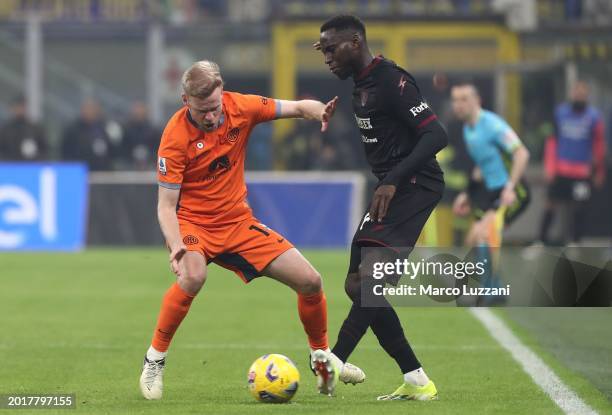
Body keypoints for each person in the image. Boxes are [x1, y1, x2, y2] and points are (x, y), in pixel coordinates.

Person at [139, 60, 364, 400]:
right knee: (193, 276)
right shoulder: (174, 138)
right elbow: (166, 206)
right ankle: (154, 359)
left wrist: (320, 112)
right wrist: (175, 245)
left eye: (215, 108)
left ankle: (321, 359)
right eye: (202, 111)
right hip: (194, 224)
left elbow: (299, 107)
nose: (211, 117)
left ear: (223, 94)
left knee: (311, 281)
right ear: (186, 101)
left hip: (238, 223)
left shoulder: (241, 106)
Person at [316, 15, 447, 401]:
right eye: (322, 50)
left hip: (415, 184)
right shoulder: (362, 84)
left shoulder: (392, 81)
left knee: (371, 282)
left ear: (355, 43)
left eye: (331, 49)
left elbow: (436, 134)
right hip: (391, 185)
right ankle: (417, 379)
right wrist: (388, 181)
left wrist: (392, 179)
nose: (326, 58)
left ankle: (335, 361)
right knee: (356, 283)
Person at [450, 81, 530, 301]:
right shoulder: (469, 129)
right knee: (473, 238)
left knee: (486, 235)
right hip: (490, 191)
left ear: (477, 101)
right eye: (455, 100)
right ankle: (495, 288)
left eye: (464, 99)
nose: (458, 105)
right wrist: (467, 193)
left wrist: (510, 188)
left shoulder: (493, 125)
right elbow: (481, 168)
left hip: (514, 192)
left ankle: (488, 292)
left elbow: (522, 154)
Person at [537, 81, 606, 245]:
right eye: (577, 92)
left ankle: (575, 242)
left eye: (583, 93)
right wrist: (549, 167)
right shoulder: (560, 113)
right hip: (561, 170)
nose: (579, 96)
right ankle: (541, 240)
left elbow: (598, 145)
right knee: (550, 203)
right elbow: (552, 141)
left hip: (582, 173)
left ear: (587, 96)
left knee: (579, 206)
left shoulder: (594, 117)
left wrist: (599, 171)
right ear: (572, 94)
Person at [61, 99, 118, 171]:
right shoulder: (73, 129)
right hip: (80, 169)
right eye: (88, 109)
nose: (90, 112)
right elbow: (66, 150)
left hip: (103, 169)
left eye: (93, 110)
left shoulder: (106, 127)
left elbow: (114, 149)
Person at [0, 96, 47, 161]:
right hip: (10, 167)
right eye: (17, 107)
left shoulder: (35, 129)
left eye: (21, 107)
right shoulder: (5, 130)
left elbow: (44, 150)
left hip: (30, 166)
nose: (19, 109)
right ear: (12, 109)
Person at [120, 101, 160, 170]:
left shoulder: (153, 130)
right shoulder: (126, 129)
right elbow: (123, 148)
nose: (139, 113)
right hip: (130, 165)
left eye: (141, 110)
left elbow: (157, 147)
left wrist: (150, 155)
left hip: (150, 165)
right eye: (137, 111)